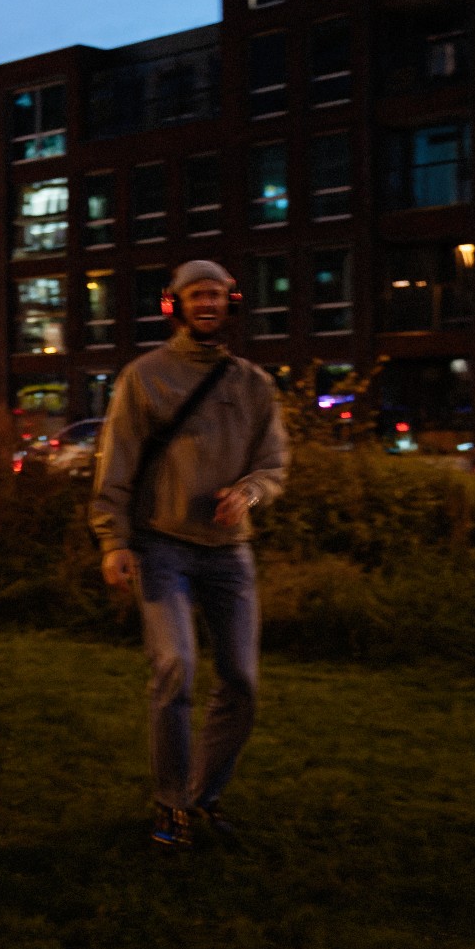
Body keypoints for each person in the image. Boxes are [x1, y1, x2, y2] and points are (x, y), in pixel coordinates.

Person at [90, 260, 290, 849]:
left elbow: (274, 464)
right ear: (173, 305)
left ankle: (205, 792)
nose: (208, 303)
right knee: (176, 668)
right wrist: (114, 540)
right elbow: (117, 461)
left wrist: (249, 491)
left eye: (217, 295)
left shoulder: (252, 382)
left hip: (230, 553)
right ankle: (170, 801)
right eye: (196, 295)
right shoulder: (144, 377)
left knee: (243, 683)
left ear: (232, 303)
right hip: (160, 545)